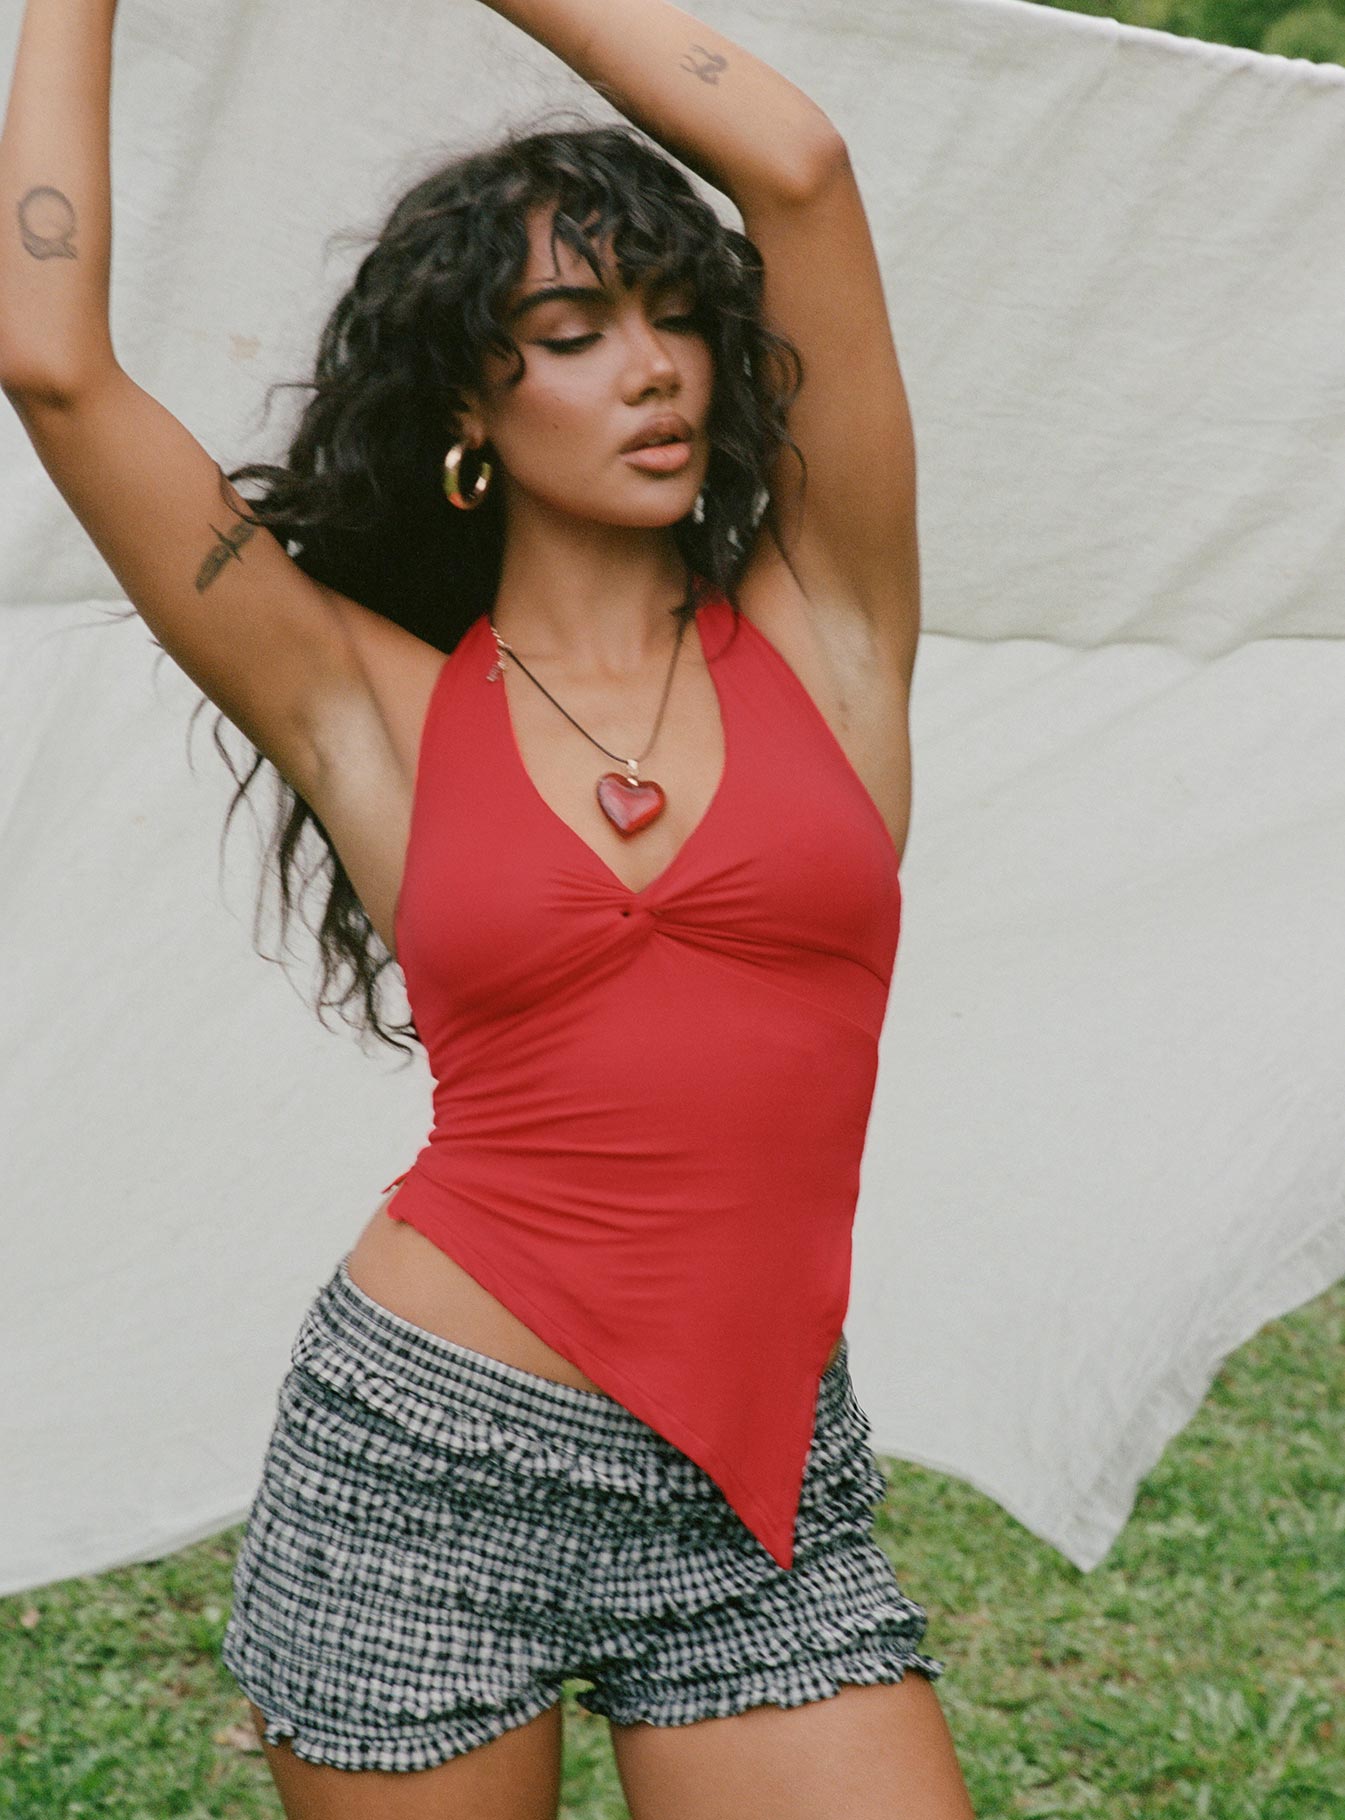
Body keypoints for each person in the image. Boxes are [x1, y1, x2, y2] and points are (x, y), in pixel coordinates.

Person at [0, 0, 975, 1813]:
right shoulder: (364, 706)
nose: (654, 370)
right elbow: (52, 366)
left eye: (677, 319)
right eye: (573, 334)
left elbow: (800, 166)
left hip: (755, 1500)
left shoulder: (829, 629)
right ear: (469, 403)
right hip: (422, 1474)